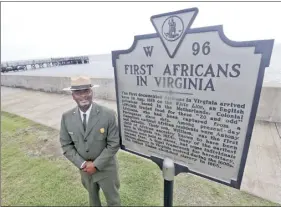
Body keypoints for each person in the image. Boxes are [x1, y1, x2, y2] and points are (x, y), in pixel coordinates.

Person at [59, 76, 121, 206]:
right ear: (73, 96)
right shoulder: (66, 117)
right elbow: (66, 145)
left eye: (86, 91)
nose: (83, 96)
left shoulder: (108, 114)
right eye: (78, 92)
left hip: (107, 169)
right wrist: (82, 164)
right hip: (85, 171)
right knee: (93, 201)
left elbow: (114, 144)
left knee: (113, 201)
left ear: (92, 92)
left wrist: (96, 165)